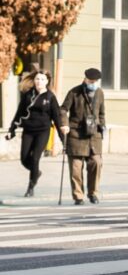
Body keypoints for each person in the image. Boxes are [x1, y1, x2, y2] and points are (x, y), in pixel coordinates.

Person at [6, 70, 65, 197]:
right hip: (28, 130)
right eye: (37, 79)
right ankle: (36, 172)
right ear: (34, 80)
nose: (39, 82)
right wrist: (12, 129)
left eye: (42, 79)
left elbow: (57, 118)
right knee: (24, 158)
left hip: (42, 131)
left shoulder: (50, 97)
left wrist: (63, 139)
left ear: (47, 82)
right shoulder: (28, 95)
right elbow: (19, 112)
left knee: (35, 158)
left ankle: (30, 187)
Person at [60, 68, 106, 205]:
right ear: (85, 79)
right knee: (76, 167)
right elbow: (63, 109)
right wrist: (64, 124)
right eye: (90, 81)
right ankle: (78, 196)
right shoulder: (74, 92)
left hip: (94, 135)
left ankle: (93, 193)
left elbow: (102, 112)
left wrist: (102, 125)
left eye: (95, 81)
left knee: (96, 163)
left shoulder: (99, 92)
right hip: (76, 135)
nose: (92, 83)